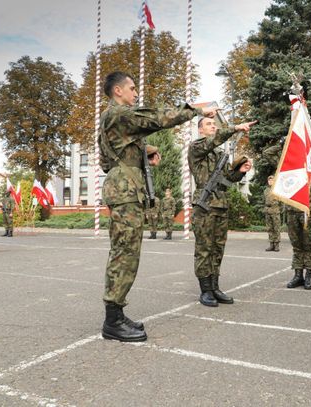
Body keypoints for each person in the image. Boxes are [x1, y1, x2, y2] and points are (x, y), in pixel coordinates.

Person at [99, 71, 217, 341]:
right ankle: (112, 320)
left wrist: (145, 153)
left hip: (125, 188)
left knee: (127, 252)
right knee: (124, 254)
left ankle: (116, 313)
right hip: (125, 191)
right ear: (118, 91)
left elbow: (113, 154)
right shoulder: (118, 113)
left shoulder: (115, 118)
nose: (136, 93)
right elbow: (155, 118)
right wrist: (195, 109)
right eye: (131, 88)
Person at [189, 117, 256, 307]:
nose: (213, 126)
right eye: (209, 124)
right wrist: (234, 128)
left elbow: (227, 180)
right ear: (201, 130)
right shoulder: (196, 148)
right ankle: (206, 290)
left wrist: (241, 171)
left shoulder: (219, 154)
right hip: (204, 205)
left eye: (214, 125)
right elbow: (215, 140)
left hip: (220, 204)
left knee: (218, 248)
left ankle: (215, 287)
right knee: (204, 249)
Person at [144, 146, 161, 239]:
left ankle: (154, 234)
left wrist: (156, 213)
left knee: (154, 224)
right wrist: (147, 213)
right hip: (150, 213)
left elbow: (157, 207)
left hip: (154, 213)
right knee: (150, 224)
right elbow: (147, 206)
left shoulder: (156, 199)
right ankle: (152, 234)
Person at [263, 175, 281, 252]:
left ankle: (276, 245)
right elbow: (264, 200)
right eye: (269, 180)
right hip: (268, 210)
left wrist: (279, 209)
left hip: (275, 210)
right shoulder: (266, 190)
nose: (270, 181)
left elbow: (281, 201)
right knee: (269, 228)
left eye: (272, 180)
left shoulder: (277, 190)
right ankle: (271, 244)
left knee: (276, 228)